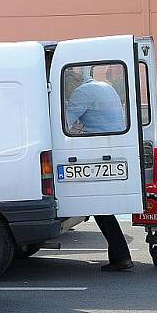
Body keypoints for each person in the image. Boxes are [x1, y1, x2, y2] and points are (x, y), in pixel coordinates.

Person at [64, 66, 133, 271]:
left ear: (71, 82)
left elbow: (64, 123)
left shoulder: (81, 93)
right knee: (101, 208)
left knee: (99, 207)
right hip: (110, 146)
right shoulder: (103, 86)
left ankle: (121, 257)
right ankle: (120, 255)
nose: (66, 93)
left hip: (96, 151)